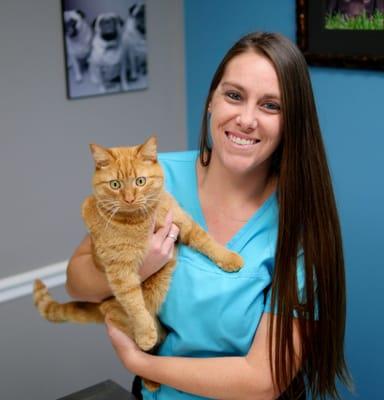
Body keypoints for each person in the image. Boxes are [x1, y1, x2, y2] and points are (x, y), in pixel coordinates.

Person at [66, 32, 351, 399]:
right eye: (234, 96)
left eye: (270, 106)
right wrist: (139, 269)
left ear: (291, 121)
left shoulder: (298, 222)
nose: (246, 119)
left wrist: (141, 365)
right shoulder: (153, 180)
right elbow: (76, 281)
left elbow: (264, 381)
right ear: (210, 102)